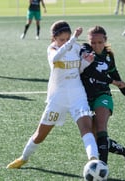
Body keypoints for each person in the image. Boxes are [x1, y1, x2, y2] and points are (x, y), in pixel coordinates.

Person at [6, 20, 98, 169]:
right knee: (40, 134)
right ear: (54, 38)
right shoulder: (52, 50)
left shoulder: (75, 47)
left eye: (67, 39)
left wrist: (86, 62)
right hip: (58, 98)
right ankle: (24, 157)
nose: (65, 42)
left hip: (77, 95)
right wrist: (73, 39)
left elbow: (77, 69)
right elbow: (57, 59)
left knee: (86, 128)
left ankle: (93, 160)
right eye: (62, 39)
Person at [80, 26, 125, 168]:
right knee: (96, 139)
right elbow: (91, 72)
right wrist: (113, 82)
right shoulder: (85, 50)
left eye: (100, 42)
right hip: (84, 98)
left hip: (102, 95)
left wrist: (124, 89)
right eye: (93, 42)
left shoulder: (109, 56)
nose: (96, 46)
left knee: (101, 128)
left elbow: (113, 72)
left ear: (105, 40)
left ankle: (102, 166)